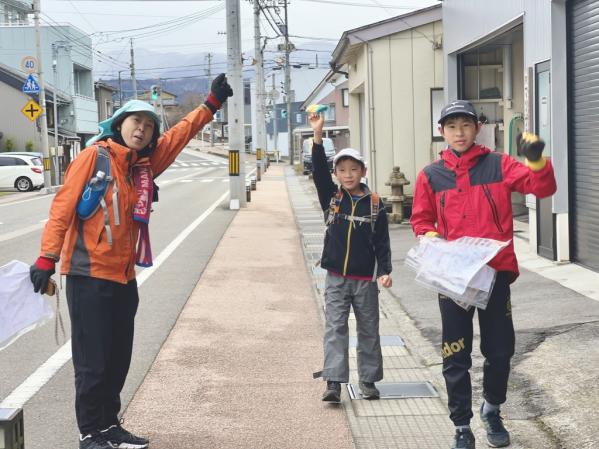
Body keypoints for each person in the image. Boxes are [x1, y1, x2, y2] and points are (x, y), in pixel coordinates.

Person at [29, 74, 233, 449]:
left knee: (118, 358)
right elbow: (62, 208)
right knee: (93, 362)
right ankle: (89, 432)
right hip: (88, 275)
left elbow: (178, 137)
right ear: (119, 124)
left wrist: (210, 105)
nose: (142, 129)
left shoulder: (139, 167)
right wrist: (47, 257)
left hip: (124, 278)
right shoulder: (95, 157)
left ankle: (109, 426)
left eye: (149, 125)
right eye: (136, 122)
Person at [410, 100, 557, 449]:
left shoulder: (499, 164)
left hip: (494, 273)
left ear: (477, 128)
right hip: (453, 278)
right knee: (455, 353)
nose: (459, 133)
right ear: (441, 131)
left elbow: (542, 188)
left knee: (500, 350)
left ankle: (492, 409)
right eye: (451, 126)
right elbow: (420, 219)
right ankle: (461, 425)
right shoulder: (431, 175)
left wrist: (536, 159)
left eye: (465, 125)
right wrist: (432, 237)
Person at [308, 111, 392, 403]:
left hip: (365, 280)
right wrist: (317, 136)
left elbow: (382, 241)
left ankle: (368, 381)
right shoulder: (331, 198)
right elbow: (317, 170)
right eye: (342, 170)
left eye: (353, 169)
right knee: (335, 328)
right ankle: (333, 381)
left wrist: (385, 270)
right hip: (335, 278)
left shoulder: (375, 204)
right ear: (336, 174)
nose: (348, 175)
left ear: (363, 171)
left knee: (369, 329)